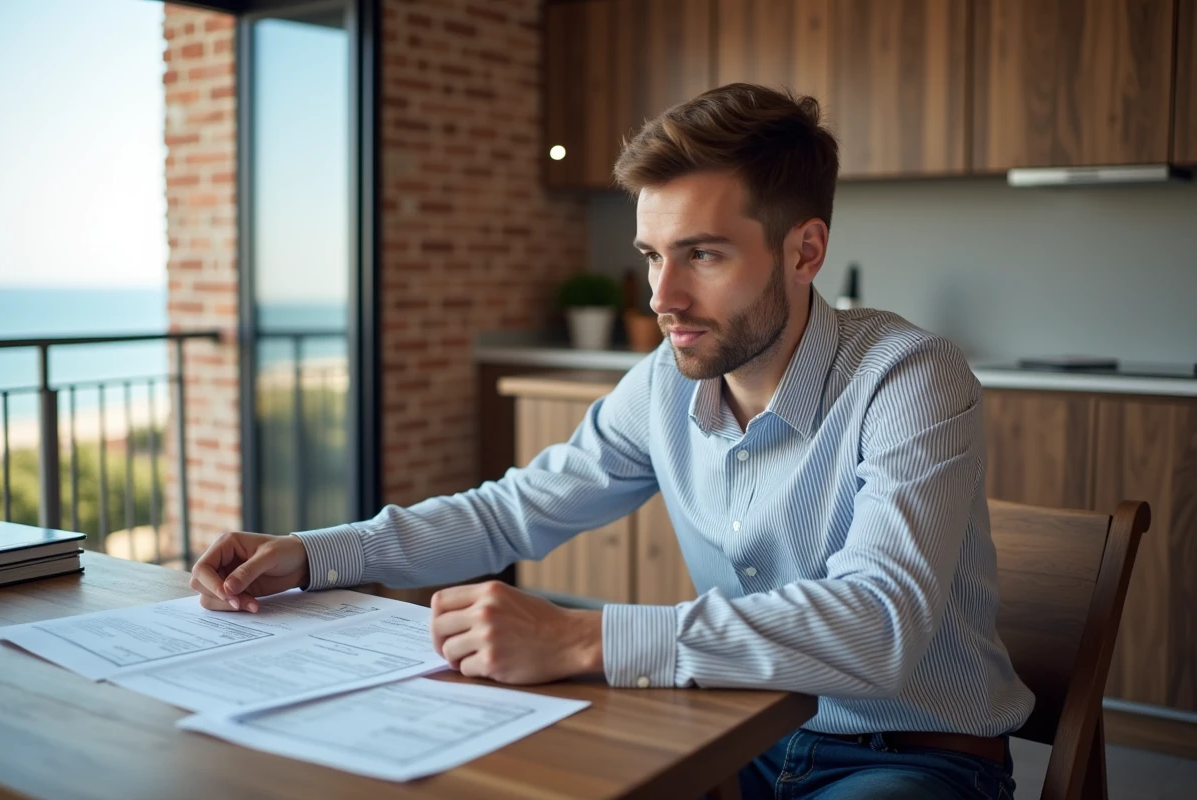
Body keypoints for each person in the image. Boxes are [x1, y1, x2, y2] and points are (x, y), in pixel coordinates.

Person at [190, 83, 1029, 799]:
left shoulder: (909, 376)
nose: (663, 296)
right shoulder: (665, 382)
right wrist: (316, 553)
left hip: (910, 757)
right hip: (732, 732)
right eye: (651, 255)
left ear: (805, 250)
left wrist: (581, 638)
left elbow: (881, 625)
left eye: (701, 254)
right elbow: (506, 517)